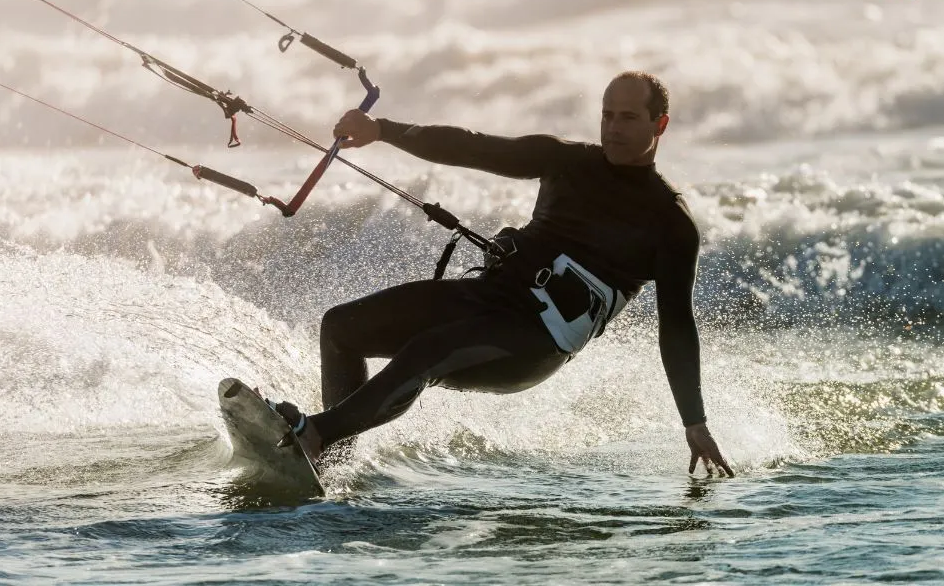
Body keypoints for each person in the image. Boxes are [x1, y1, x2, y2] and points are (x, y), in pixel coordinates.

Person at [268, 70, 734, 478]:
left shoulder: (670, 222)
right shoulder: (564, 160)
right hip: (489, 297)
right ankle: (329, 464)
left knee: (428, 350)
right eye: (607, 114)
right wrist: (382, 129)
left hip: (536, 341)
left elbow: (677, 324)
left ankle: (317, 434)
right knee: (341, 328)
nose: (613, 127)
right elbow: (473, 147)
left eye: (628, 117)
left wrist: (694, 421)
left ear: (660, 124)